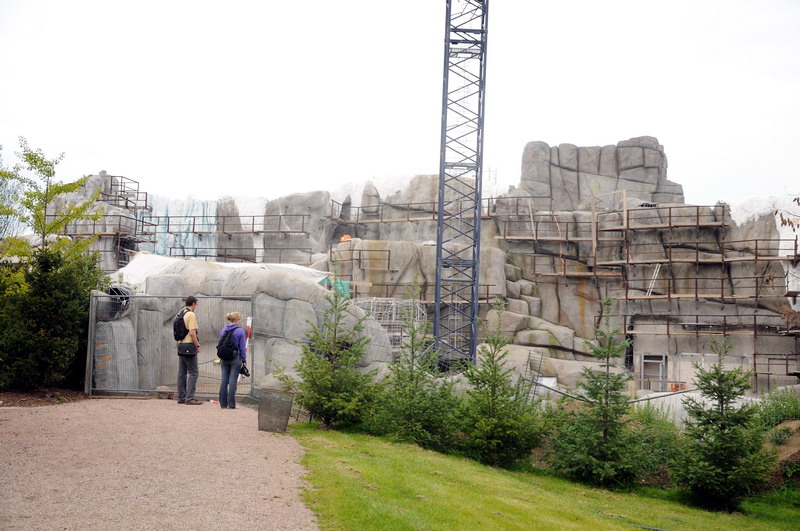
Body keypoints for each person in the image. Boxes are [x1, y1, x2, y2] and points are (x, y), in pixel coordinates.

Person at [177, 296, 203, 405]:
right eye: (196, 304)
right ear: (193, 303)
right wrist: (197, 345)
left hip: (180, 345)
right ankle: (190, 398)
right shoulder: (191, 314)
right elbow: (192, 333)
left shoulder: (181, 313)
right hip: (189, 346)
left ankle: (181, 397)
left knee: (182, 372)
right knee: (193, 373)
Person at [218, 312, 248, 409]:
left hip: (224, 358)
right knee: (232, 381)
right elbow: (242, 347)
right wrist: (244, 360)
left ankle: (223, 403)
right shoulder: (240, 331)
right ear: (238, 320)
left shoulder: (223, 330)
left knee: (224, 380)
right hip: (235, 358)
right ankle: (231, 404)